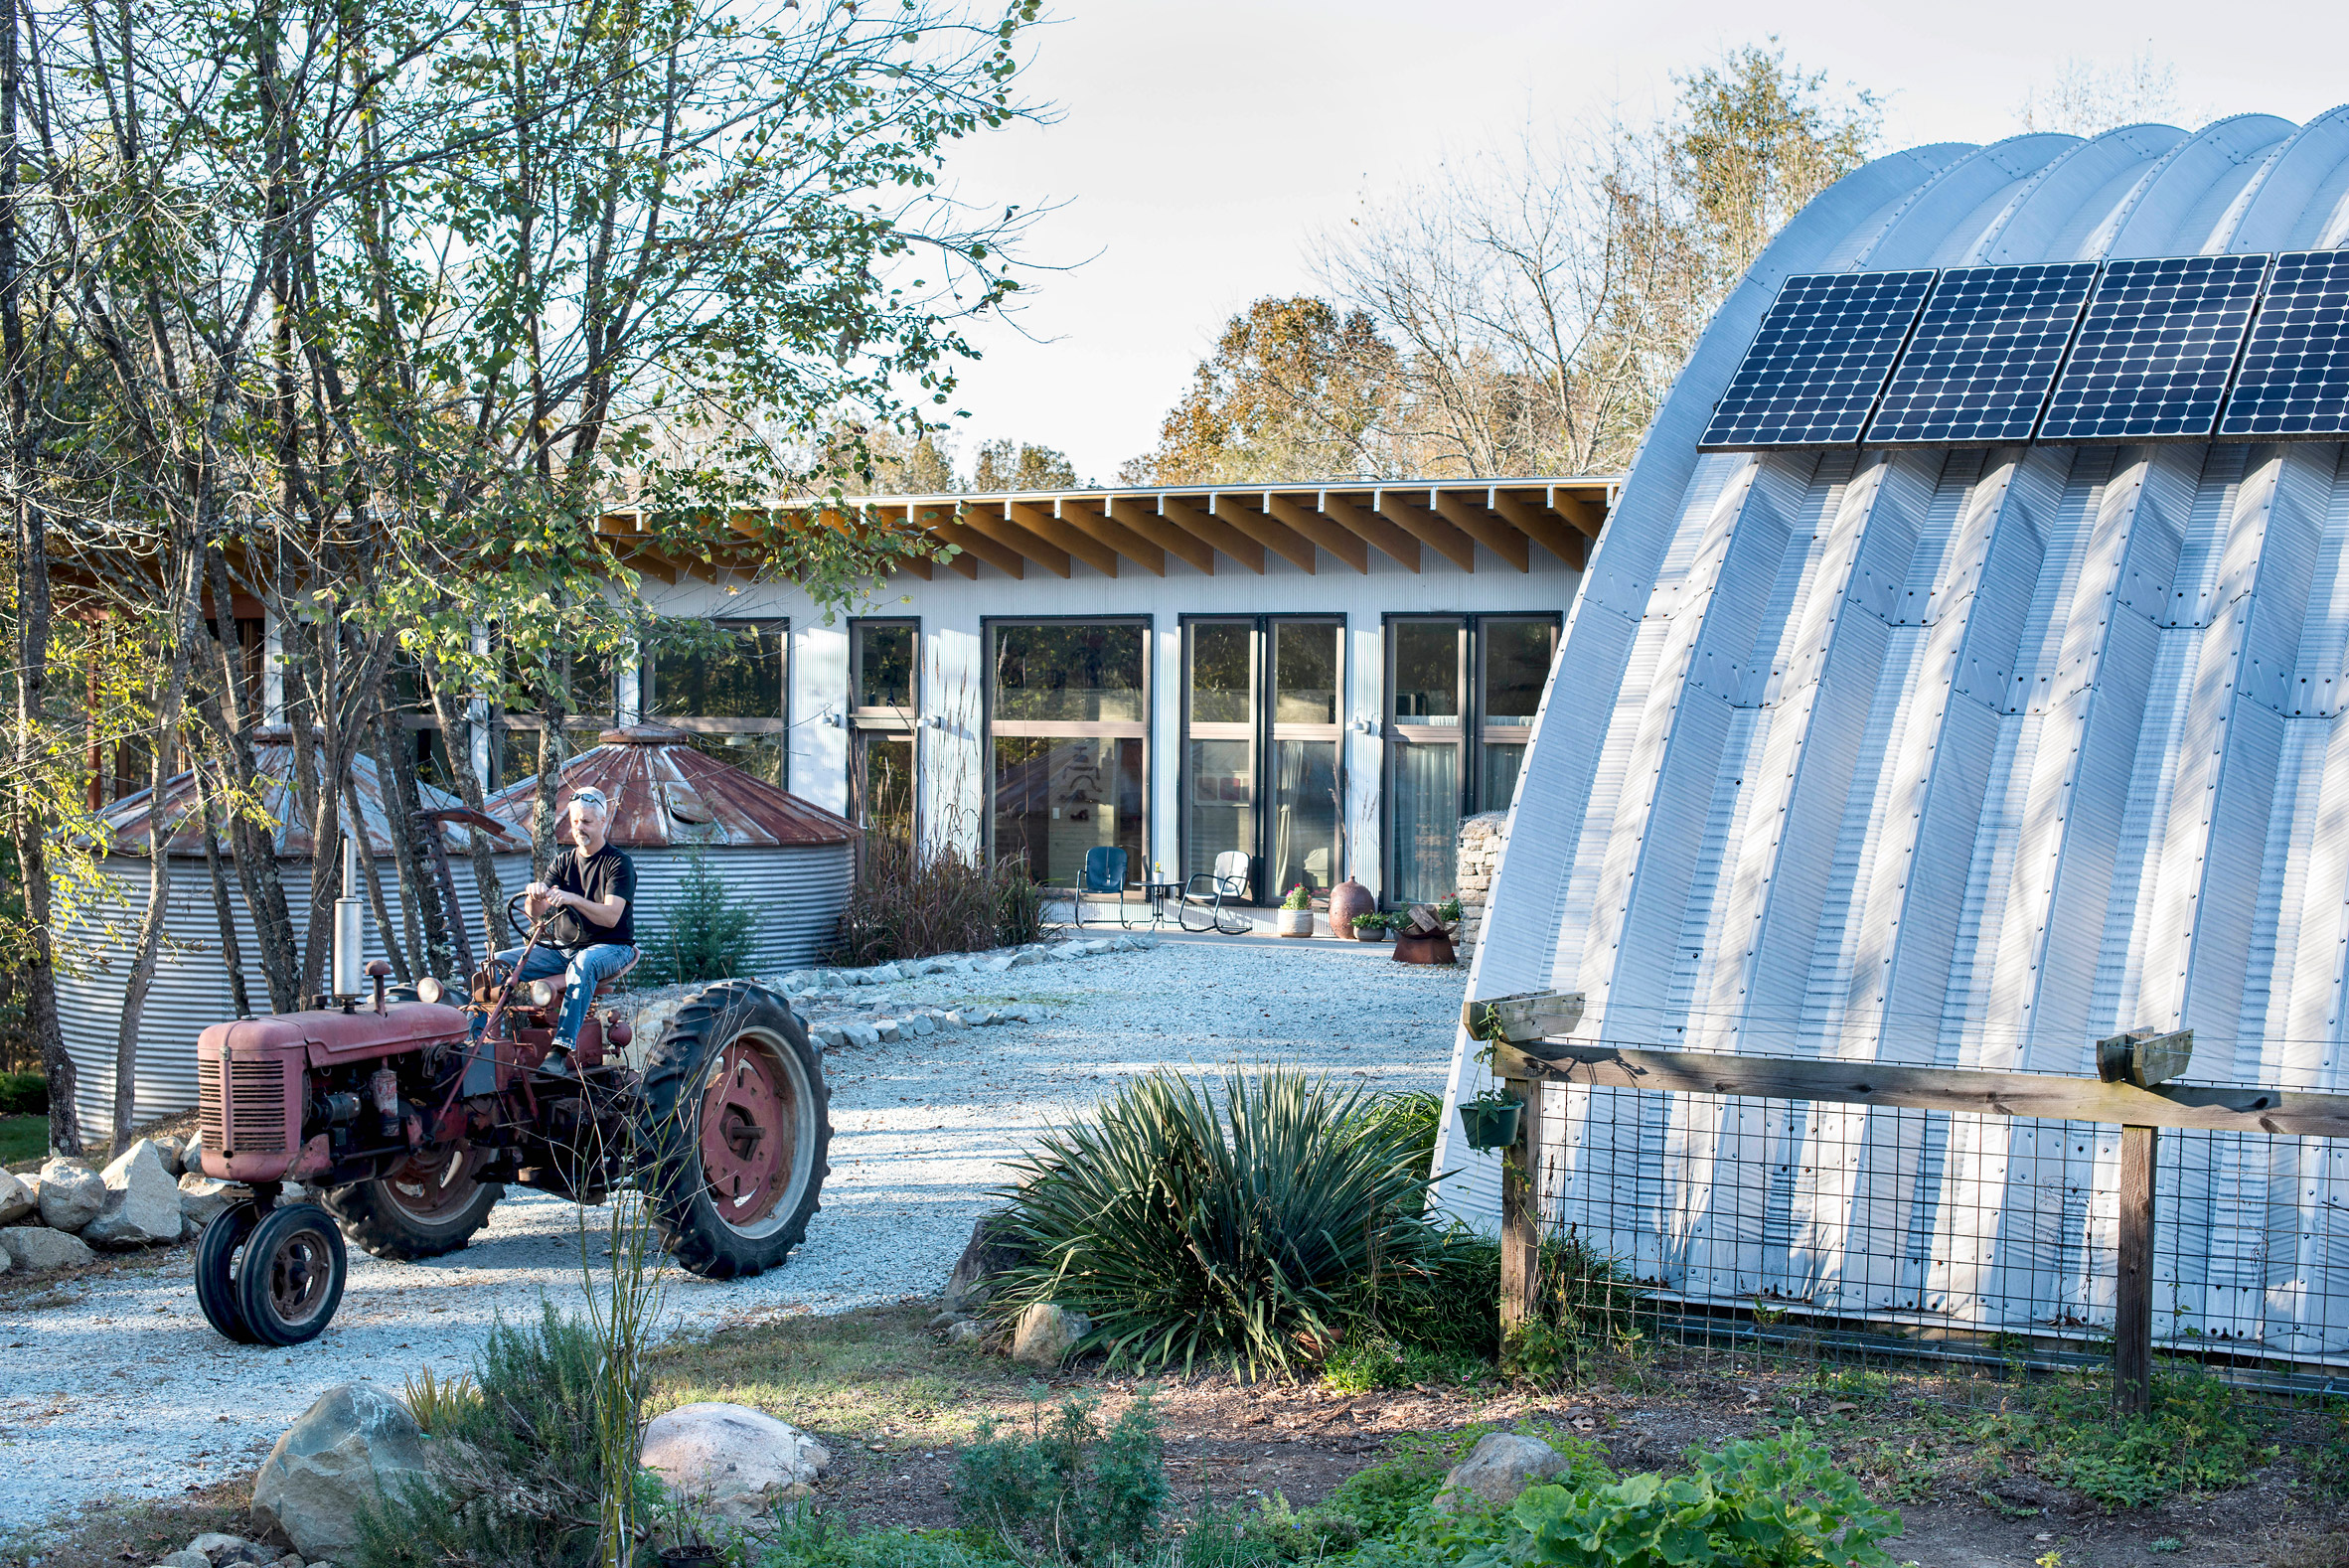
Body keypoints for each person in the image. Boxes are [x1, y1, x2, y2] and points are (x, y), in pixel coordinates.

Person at [485, 786, 637, 1074]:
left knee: (583, 962)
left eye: (587, 822)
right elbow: (534, 913)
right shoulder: (563, 862)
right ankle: (480, 1042)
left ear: (603, 821)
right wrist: (536, 894)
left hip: (611, 948)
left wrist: (573, 899)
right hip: (562, 948)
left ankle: (559, 1050)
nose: (580, 827)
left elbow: (611, 917)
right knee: (498, 964)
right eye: (576, 821)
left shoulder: (618, 863)